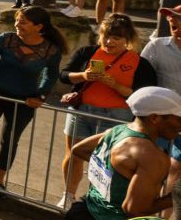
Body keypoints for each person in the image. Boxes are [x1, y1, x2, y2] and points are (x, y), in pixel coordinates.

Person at [59, 14, 157, 208]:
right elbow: (64, 75)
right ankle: (68, 195)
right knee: (73, 155)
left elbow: (145, 94)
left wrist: (117, 86)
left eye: (116, 38)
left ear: (127, 40)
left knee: (106, 163)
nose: (109, 42)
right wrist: (83, 75)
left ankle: (94, 202)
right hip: (82, 111)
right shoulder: (87, 52)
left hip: (117, 117)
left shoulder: (139, 62)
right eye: (106, 36)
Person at [0, 6, 65, 188]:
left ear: (38, 27)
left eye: (22, 22)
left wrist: (40, 96)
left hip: (25, 98)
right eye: (16, 20)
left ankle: (0, 178)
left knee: (10, 138)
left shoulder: (51, 50)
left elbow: (51, 75)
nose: (17, 24)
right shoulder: (6, 39)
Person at [64, 87, 181, 220]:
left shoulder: (117, 131)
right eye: (179, 119)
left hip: (83, 211)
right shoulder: (151, 157)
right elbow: (134, 210)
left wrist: (114, 169)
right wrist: (175, 196)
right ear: (155, 117)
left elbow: (79, 149)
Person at [141, 5, 181, 205]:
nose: (173, 21)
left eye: (179, 18)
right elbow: (141, 81)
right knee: (150, 169)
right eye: (171, 17)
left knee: (176, 170)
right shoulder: (156, 46)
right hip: (160, 121)